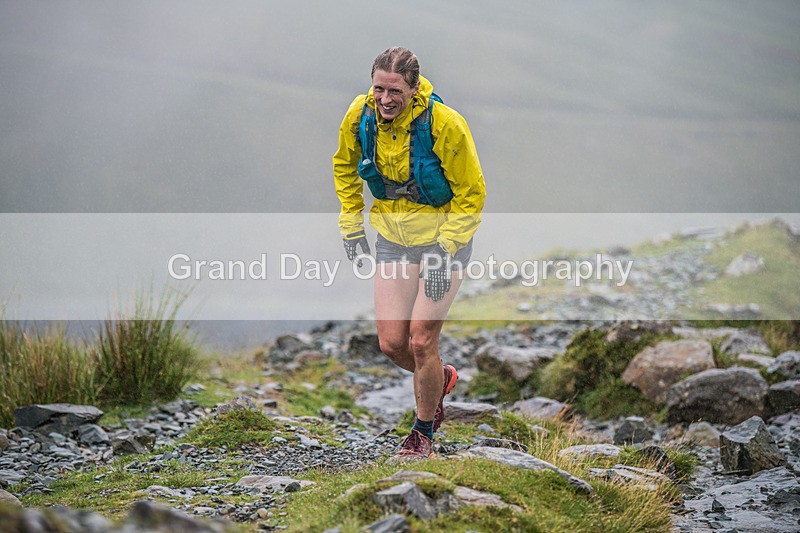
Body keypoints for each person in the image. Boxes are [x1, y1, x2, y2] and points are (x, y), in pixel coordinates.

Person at [333, 47, 486, 461]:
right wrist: (351, 226)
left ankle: (422, 436)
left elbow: (472, 194)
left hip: (443, 242)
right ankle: (442, 377)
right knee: (391, 342)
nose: (385, 99)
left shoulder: (445, 124)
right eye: (379, 88)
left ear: (414, 87)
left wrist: (445, 248)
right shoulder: (361, 114)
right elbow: (345, 167)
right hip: (393, 239)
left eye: (395, 90)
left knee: (421, 341)